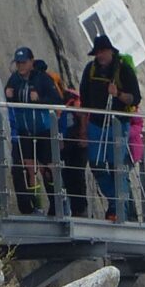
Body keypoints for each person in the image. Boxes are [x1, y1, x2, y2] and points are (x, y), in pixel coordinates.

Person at [78, 34, 142, 222]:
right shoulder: (90, 70)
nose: (100, 56)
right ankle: (117, 202)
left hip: (118, 123)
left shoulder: (123, 70)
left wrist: (118, 94)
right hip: (96, 123)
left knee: (117, 166)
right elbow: (84, 100)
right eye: (98, 53)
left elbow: (135, 98)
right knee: (96, 165)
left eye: (103, 52)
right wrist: (83, 128)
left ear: (110, 51)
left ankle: (120, 209)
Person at [3, 45, 63, 215]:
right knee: (27, 169)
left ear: (31, 62)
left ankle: (56, 204)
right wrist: (8, 95)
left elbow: (58, 101)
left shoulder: (42, 78)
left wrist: (39, 100)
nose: (20, 66)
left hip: (43, 131)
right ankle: (33, 207)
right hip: (24, 132)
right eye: (18, 63)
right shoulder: (14, 79)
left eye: (23, 62)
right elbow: (10, 101)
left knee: (48, 169)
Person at [57, 86, 90, 218]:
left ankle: (78, 208)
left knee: (72, 175)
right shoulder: (74, 101)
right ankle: (79, 209)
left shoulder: (70, 101)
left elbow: (81, 118)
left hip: (73, 143)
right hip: (75, 143)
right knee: (75, 175)